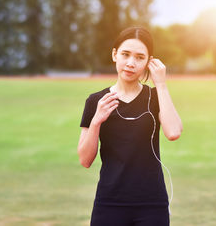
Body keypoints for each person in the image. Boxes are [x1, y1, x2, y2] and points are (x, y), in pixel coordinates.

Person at [77, 26, 183, 226]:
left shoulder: (155, 96)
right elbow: (85, 159)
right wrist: (96, 120)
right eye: (125, 54)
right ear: (115, 54)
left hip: (152, 204)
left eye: (140, 57)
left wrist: (160, 84)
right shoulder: (96, 101)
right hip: (109, 203)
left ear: (148, 62)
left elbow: (174, 132)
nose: (131, 63)